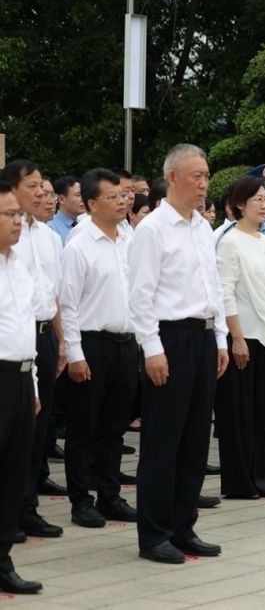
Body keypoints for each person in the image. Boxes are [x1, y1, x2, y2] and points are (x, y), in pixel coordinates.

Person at [128, 144, 229, 563]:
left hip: (203, 338)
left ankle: (184, 526)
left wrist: (221, 338)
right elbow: (140, 297)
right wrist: (152, 349)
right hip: (169, 339)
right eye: (196, 176)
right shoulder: (153, 229)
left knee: (193, 442)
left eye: (206, 175)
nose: (204, 183)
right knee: (162, 441)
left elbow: (214, 290)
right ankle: (154, 534)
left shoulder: (202, 228)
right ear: (172, 177)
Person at [59, 168, 139, 528]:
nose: (122, 201)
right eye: (113, 197)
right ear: (92, 204)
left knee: (114, 426)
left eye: (123, 196)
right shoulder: (79, 244)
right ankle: (81, 499)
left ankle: (110, 495)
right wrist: (75, 354)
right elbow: (69, 304)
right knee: (83, 427)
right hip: (92, 344)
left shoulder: (128, 237)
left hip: (125, 344)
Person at [1, 160, 65, 540]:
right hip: (11, 351)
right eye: (33, 186)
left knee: (37, 432)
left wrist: (60, 344)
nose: (42, 192)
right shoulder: (11, 239)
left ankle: (26, 508)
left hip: (39, 340)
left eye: (43, 185)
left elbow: (53, 296)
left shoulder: (47, 236)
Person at [214, 176, 265, 500]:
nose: (263, 204)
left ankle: (262, 478)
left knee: (260, 410)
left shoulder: (264, 239)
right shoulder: (230, 241)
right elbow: (225, 293)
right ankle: (239, 482)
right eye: (256, 199)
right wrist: (236, 338)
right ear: (240, 204)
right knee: (236, 413)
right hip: (242, 334)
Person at [0, 181, 43, 595]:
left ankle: (3, 561)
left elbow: (24, 329)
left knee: (14, 474)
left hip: (19, 376)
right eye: (9, 215)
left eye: (19, 215)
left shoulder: (19, 263)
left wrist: (30, 385)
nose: (18, 222)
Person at [48, 175, 83, 242]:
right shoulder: (51, 228)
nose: (83, 199)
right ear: (61, 199)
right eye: (78, 195)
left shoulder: (83, 225)